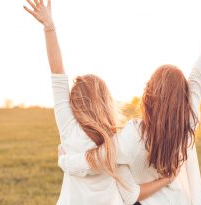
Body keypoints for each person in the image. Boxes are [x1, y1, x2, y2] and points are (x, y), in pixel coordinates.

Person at [58, 3, 201, 205]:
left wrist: (64, 161)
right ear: (183, 95)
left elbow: (95, 160)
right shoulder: (188, 120)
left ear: (149, 95)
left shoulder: (133, 135)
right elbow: (200, 71)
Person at [23, 0, 176, 204]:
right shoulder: (116, 142)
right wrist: (166, 179)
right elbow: (131, 195)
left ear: (75, 102)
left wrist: (49, 27)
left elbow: (57, 73)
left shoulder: (68, 128)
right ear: (105, 101)